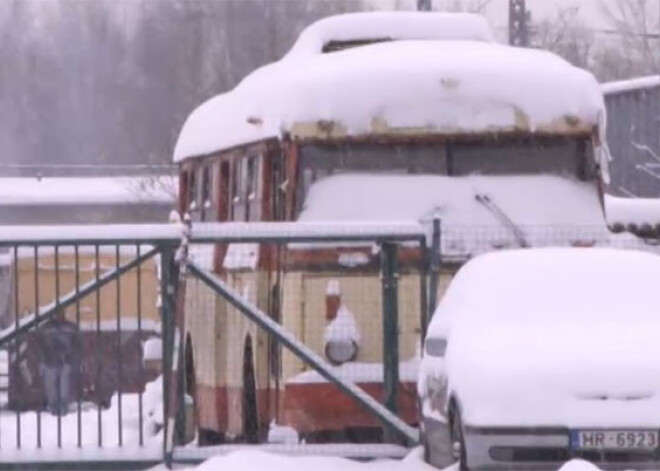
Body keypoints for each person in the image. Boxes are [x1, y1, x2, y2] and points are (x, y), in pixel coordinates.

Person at [37, 310, 80, 416]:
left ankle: (63, 407)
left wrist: (74, 359)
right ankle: (53, 407)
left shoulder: (71, 327)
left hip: (66, 360)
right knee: (51, 386)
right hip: (50, 360)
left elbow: (78, 344)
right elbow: (39, 345)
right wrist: (42, 360)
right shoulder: (45, 327)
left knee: (64, 385)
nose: (57, 315)